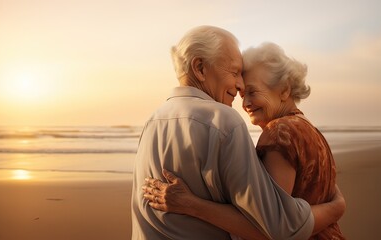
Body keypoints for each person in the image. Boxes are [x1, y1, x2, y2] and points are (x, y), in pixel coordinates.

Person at [132, 25, 345, 240]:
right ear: (200, 68)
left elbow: (272, 227)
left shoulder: (151, 122)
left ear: (285, 90)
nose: (241, 91)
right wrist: (336, 208)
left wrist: (191, 205)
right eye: (235, 73)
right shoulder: (226, 121)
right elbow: (277, 226)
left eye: (251, 90)